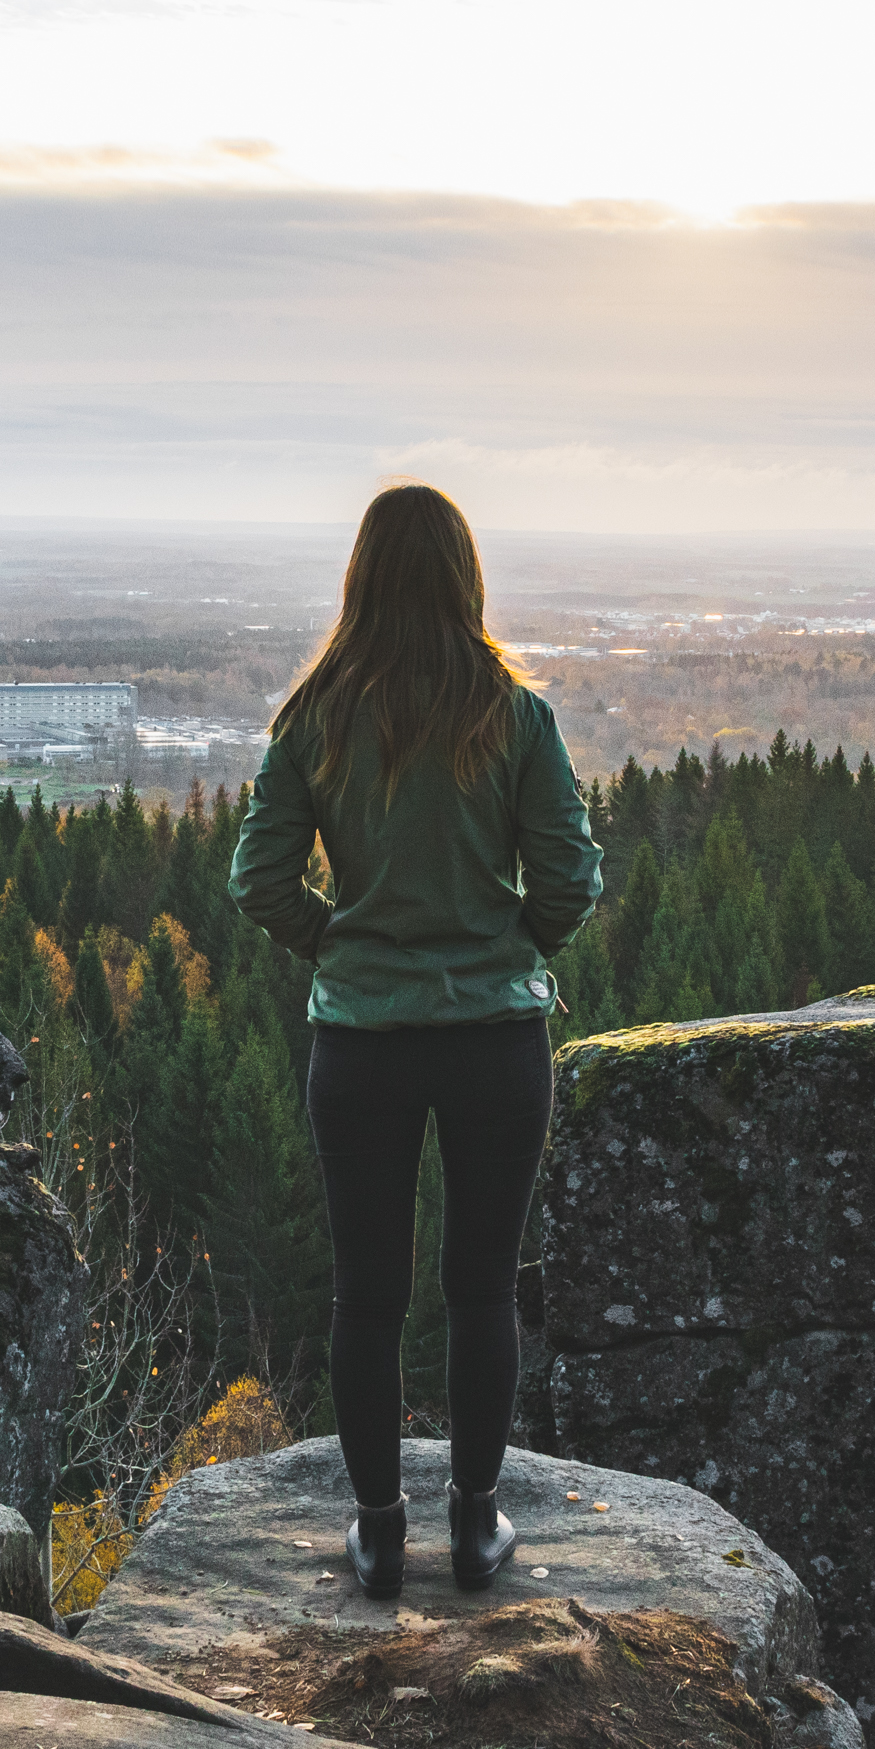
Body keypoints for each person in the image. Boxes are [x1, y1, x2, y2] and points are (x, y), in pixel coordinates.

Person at [230, 484, 603, 1600]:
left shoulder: (314, 714)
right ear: (463, 573)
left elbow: (256, 881)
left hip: (363, 1043)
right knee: (481, 1286)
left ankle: (379, 1530)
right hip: (496, 1040)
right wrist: (509, 945)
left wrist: (337, 942)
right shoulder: (513, 712)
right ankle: (476, 1522)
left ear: (359, 576)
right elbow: (571, 878)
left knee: (366, 1292)